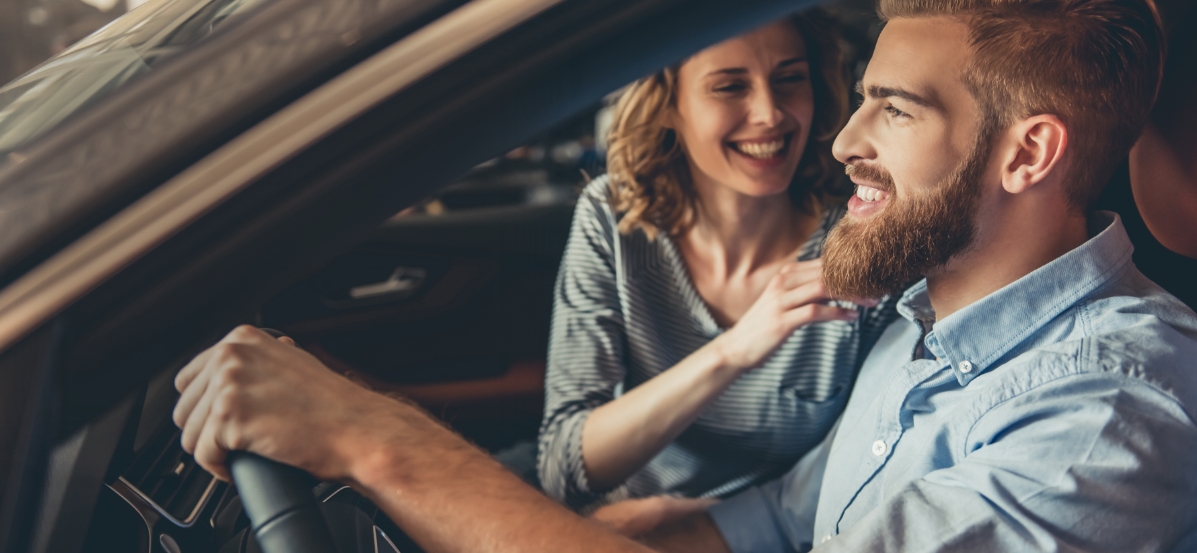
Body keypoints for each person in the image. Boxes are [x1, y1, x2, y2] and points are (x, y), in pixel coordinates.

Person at [171, 0, 1197, 551]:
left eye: (893, 108)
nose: (835, 141)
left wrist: (374, 441)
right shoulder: (921, 320)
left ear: (1027, 155)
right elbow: (789, 515)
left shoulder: (1110, 412)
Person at [536, 10, 894, 522]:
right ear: (667, 106)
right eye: (729, 87)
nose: (770, 113)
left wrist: (703, 525)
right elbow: (562, 468)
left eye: (790, 80)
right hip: (617, 525)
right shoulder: (613, 218)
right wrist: (732, 351)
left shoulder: (861, 239)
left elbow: (859, 471)